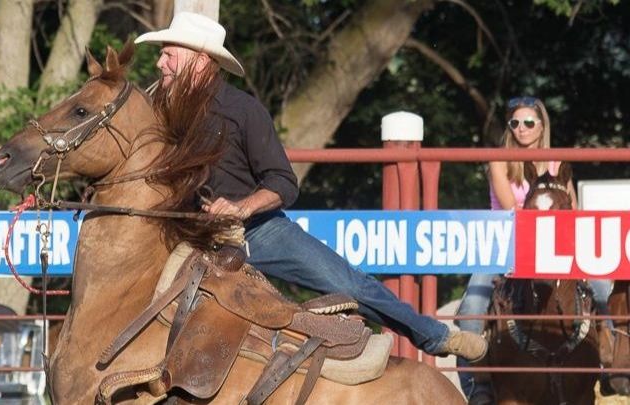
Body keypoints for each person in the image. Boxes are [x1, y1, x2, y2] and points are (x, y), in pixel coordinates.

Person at [134, 11, 488, 361]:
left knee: (349, 285)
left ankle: (438, 336)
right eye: (162, 54)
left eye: (168, 54)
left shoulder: (243, 110)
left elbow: (283, 182)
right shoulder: (159, 109)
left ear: (199, 61)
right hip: (185, 232)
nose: (160, 63)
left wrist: (241, 208)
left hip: (256, 232)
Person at [456, 96, 614, 404]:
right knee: (471, 311)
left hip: (555, 245)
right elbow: (510, 206)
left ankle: (610, 366)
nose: (522, 128)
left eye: (529, 122)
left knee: (601, 288)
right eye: (515, 123)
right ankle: (479, 389)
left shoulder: (557, 161)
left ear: (542, 126)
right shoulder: (500, 158)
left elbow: (573, 211)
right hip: (504, 242)